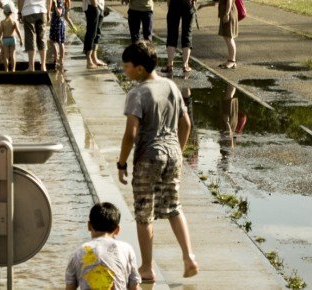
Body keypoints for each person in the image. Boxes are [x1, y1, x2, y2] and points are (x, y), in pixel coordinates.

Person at [116, 42, 199, 282]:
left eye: (127, 66)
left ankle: (147, 268)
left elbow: (131, 134)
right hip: (172, 152)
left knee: (144, 212)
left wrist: (122, 163)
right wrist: (178, 152)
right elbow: (187, 124)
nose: (125, 70)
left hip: (148, 157)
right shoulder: (171, 86)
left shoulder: (137, 93)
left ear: (140, 69)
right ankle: (189, 256)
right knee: (174, 206)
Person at [65, 202, 142, 290]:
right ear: (117, 230)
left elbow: (69, 287)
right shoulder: (126, 249)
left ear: (89, 226)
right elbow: (134, 287)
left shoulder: (78, 252)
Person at [163, 0, 196, 74]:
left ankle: (169, 65)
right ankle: (185, 65)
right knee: (187, 34)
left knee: (171, 34)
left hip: (174, 4)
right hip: (188, 4)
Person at [18, 0, 51, 71]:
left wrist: (19, 12)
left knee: (30, 38)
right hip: (42, 11)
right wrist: (48, 12)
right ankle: (43, 66)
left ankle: (31, 66)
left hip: (28, 11)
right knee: (42, 38)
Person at [82, 0, 106, 69]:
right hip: (92, 4)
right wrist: (94, 2)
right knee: (92, 32)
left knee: (98, 32)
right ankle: (89, 61)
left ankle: (94, 58)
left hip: (100, 5)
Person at [0, 4, 23, 72]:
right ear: (11, 12)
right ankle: (13, 69)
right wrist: (21, 39)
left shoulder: (2, 22)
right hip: (12, 39)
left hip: (5, 39)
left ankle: (6, 70)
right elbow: (18, 31)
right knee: (13, 55)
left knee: (6, 56)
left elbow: (0, 32)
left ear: (4, 12)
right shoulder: (14, 21)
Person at [217, 0, 237, 69]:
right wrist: (203, 5)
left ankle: (232, 61)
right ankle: (231, 60)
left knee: (229, 37)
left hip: (229, 13)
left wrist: (227, 14)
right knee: (227, 37)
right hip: (226, 13)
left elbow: (229, 1)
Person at [48, 0, 68, 69]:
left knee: (60, 42)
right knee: (52, 41)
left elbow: (59, 13)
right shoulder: (59, 1)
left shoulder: (59, 2)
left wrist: (56, 5)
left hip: (58, 23)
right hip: (56, 23)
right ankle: (56, 58)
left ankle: (61, 59)